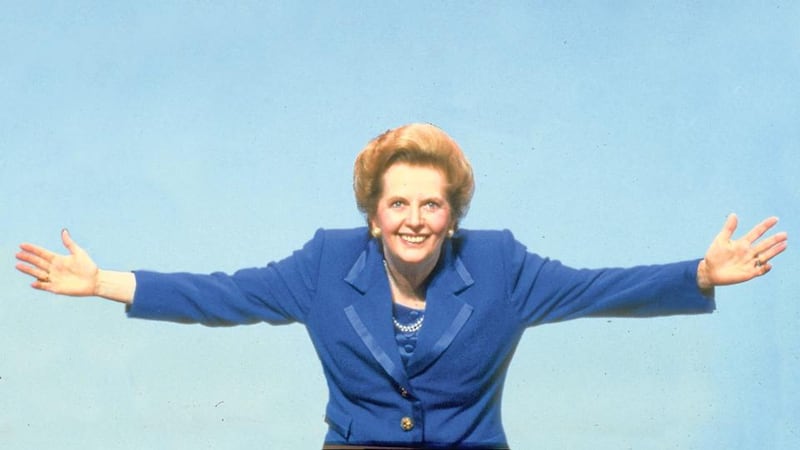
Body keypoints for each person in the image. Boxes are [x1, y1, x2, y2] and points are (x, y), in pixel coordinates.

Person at [15, 123, 787, 449]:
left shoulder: (502, 266)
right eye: (398, 204)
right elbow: (225, 296)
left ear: (452, 216)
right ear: (373, 214)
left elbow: (596, 289)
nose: (414, 219)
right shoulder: (323, 265)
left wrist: (697, 273)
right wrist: (102, 282)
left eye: (431, 203)